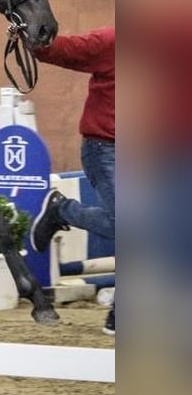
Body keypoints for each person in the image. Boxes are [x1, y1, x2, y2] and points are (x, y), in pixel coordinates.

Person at [29, 25, 115, 335]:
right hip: (106, 147)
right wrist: (32, 38)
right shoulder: (112, 41)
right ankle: (61, 210)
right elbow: (62, 50)